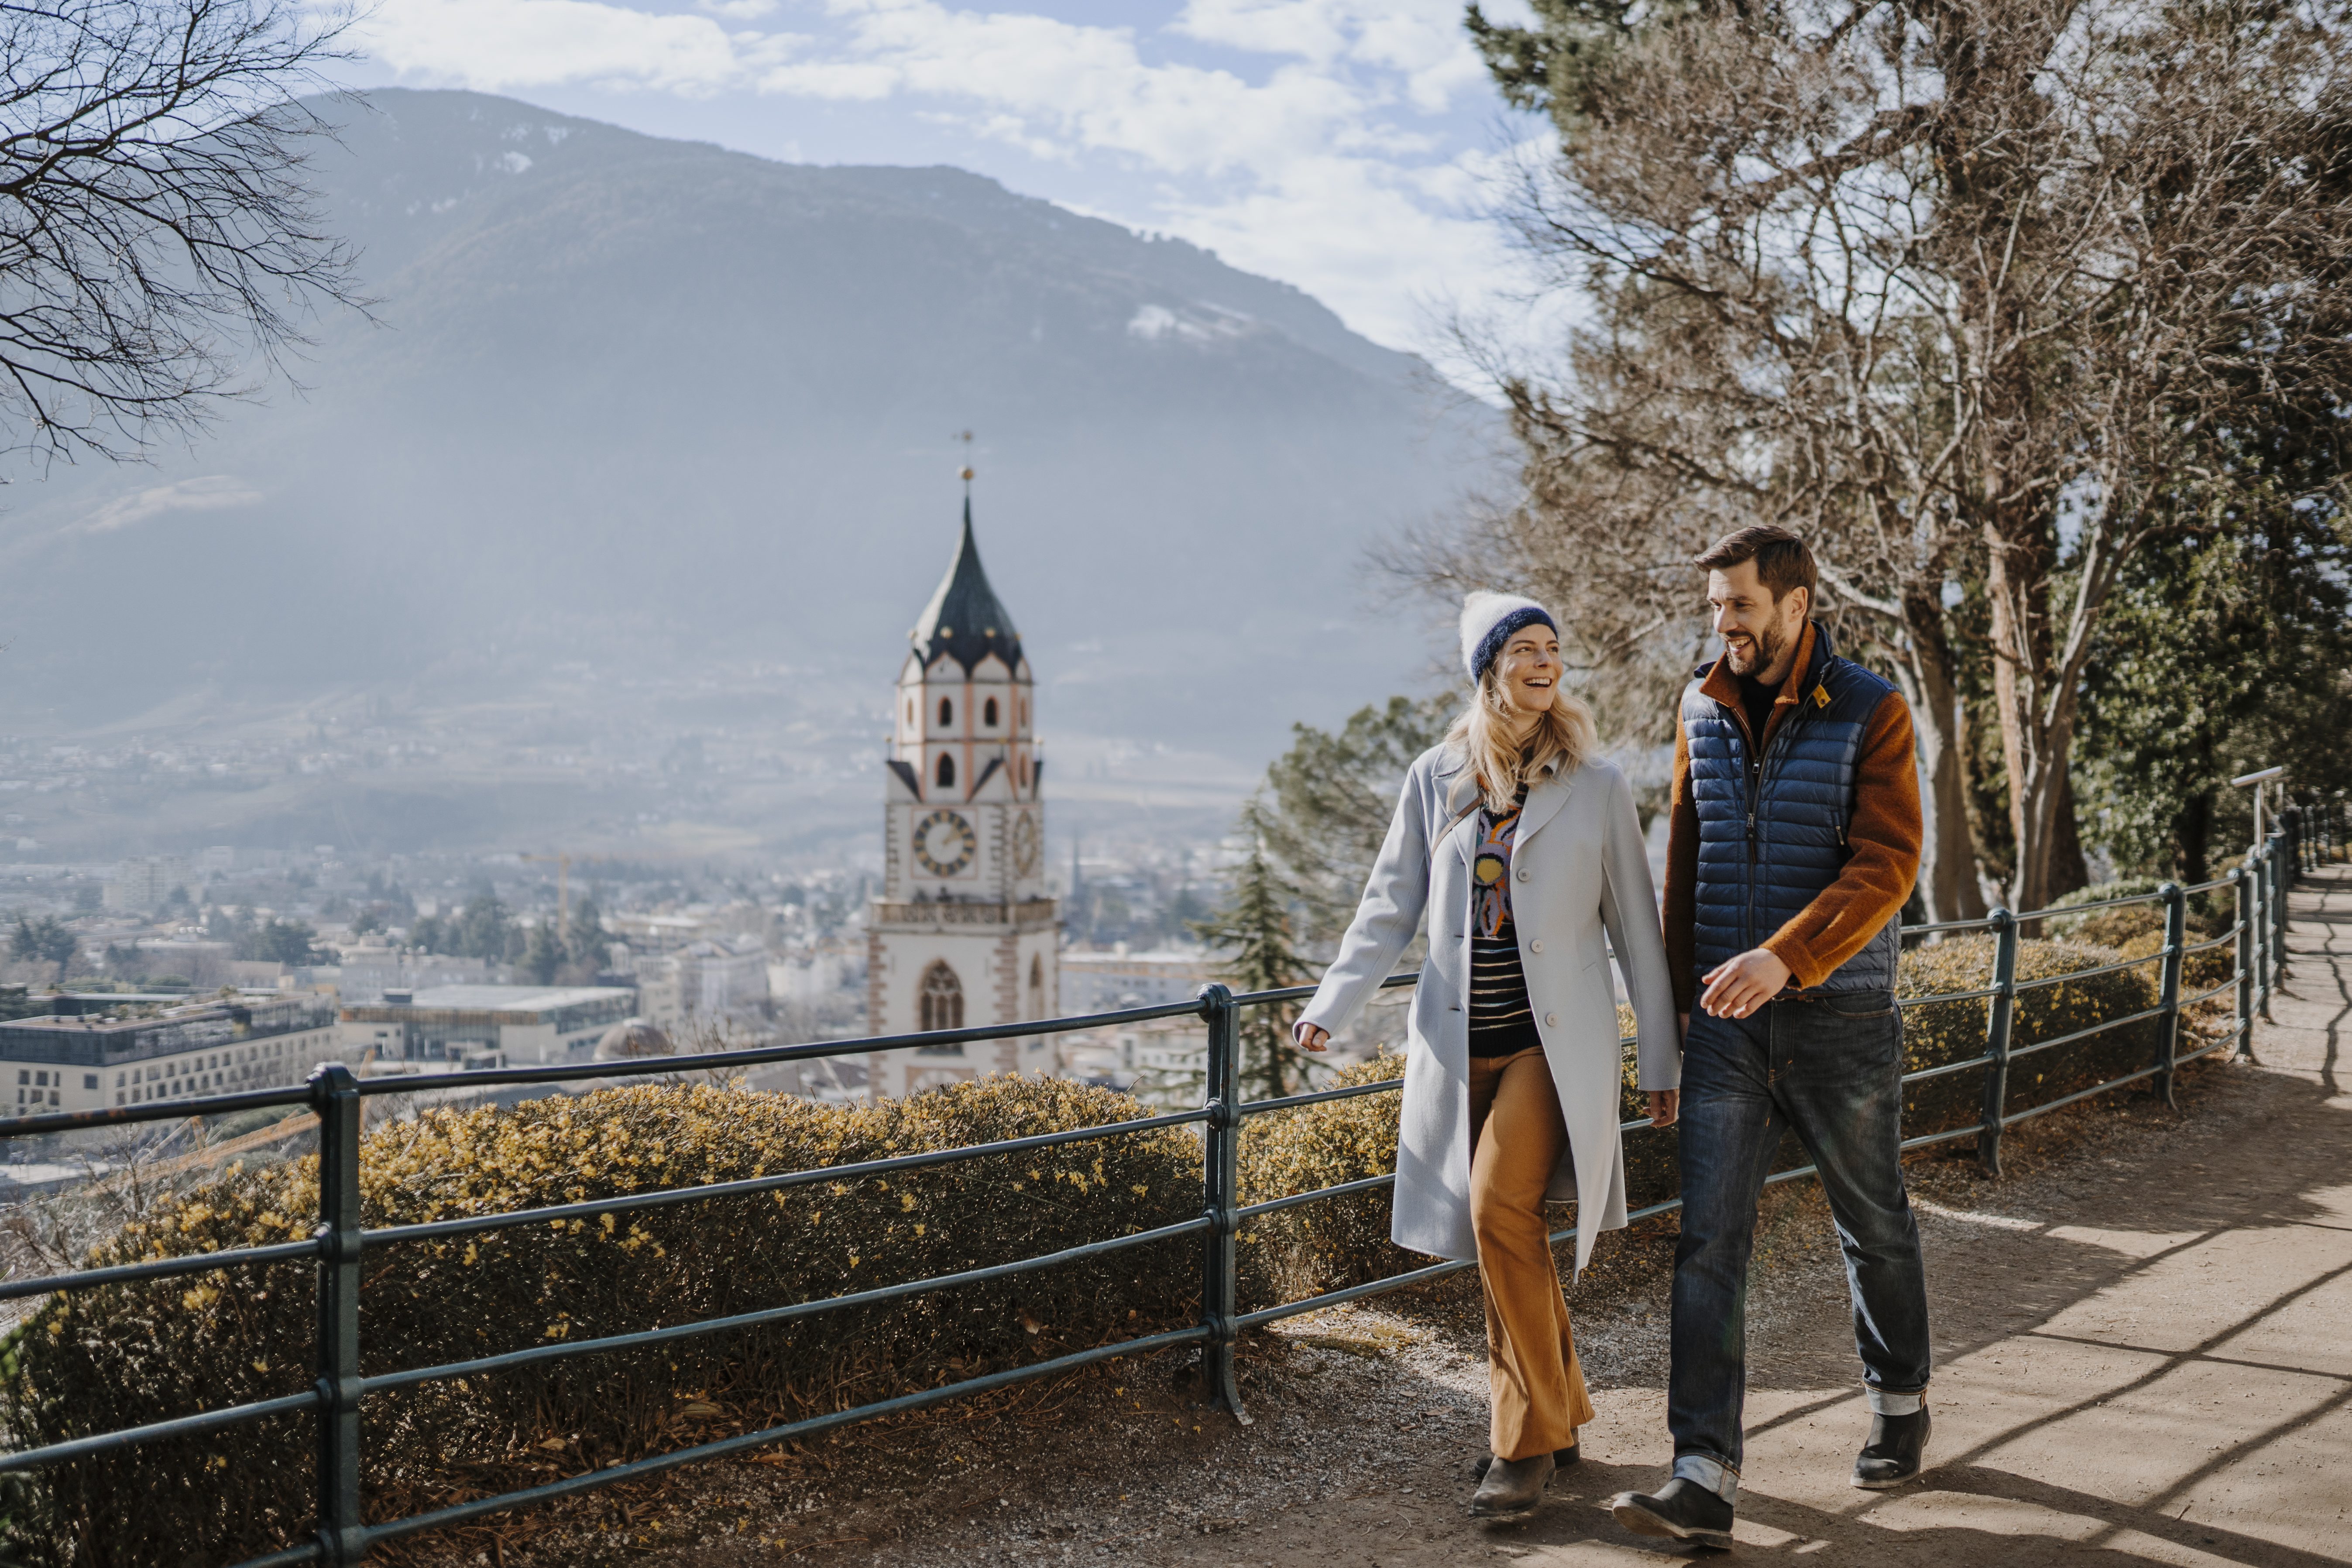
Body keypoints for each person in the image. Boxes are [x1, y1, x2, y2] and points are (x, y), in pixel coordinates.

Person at [1293, 590, 1681, 1520]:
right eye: (1526, 649)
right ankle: (1562, 1406)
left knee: (1500, 1210)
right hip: (1457, 1041)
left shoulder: (1597, 784)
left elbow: (1637, 927)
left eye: (1554, 647)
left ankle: (1519, 1448)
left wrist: (1660, 1061)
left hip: (1552, 1047)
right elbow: (1390, 904)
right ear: (1488, 670)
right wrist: (1329, 1004)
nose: (1545, 662)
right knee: (1508, 1236)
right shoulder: (1436, 776)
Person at [1607, 526, 1930, 1551]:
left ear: (1794, 606)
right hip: (1723, 1035)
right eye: (1715, 608)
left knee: (1872, 1223)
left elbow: (1889, 862)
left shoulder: (1874, 711)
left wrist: (1787, 958)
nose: (1723, 625)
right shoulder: (1698, 707)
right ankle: (1702, 1472)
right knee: (1708, 1244)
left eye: (1737, 605)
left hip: (1838, 1022)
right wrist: (1667, 1028)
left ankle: (1899, 1398)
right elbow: (1682, 877)